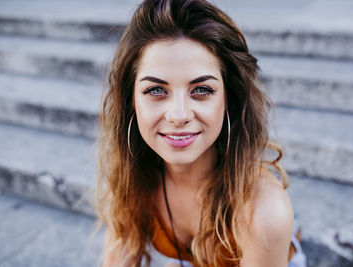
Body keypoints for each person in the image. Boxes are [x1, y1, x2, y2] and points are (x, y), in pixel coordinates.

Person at [95, 0, 306, 266]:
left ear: (229, 99)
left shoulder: (264, 213)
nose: (179, 115)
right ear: (132, 101)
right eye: (156, 90)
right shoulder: (132, 176)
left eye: (202, 90)